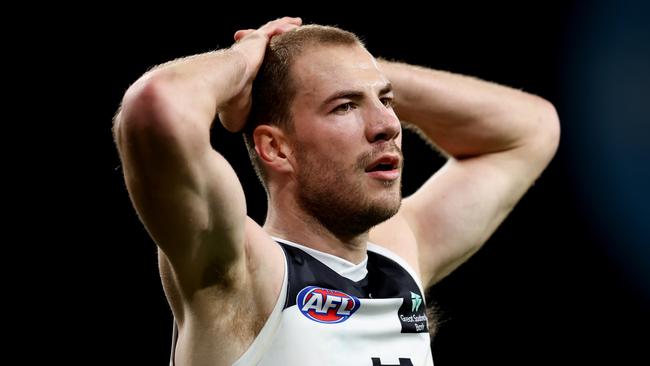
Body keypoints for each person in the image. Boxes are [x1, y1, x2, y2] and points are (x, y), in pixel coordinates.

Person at [113, 17, 559, 366]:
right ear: (276, 147)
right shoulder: (240, 275)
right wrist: (250, 58)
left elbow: (531, 128)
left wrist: (352, 71)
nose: (388, 125)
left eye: (386, 101)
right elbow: (156, 108)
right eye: (344, 106)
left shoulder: (399, 255)